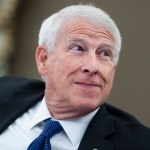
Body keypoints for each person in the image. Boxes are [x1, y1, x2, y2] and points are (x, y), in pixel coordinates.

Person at [0, 4, 150, 150]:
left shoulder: (140, 143)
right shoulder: (4, 91)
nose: (93, 67)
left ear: (113, 70)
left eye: (105, 53)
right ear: (44, 59)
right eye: (78, 48)